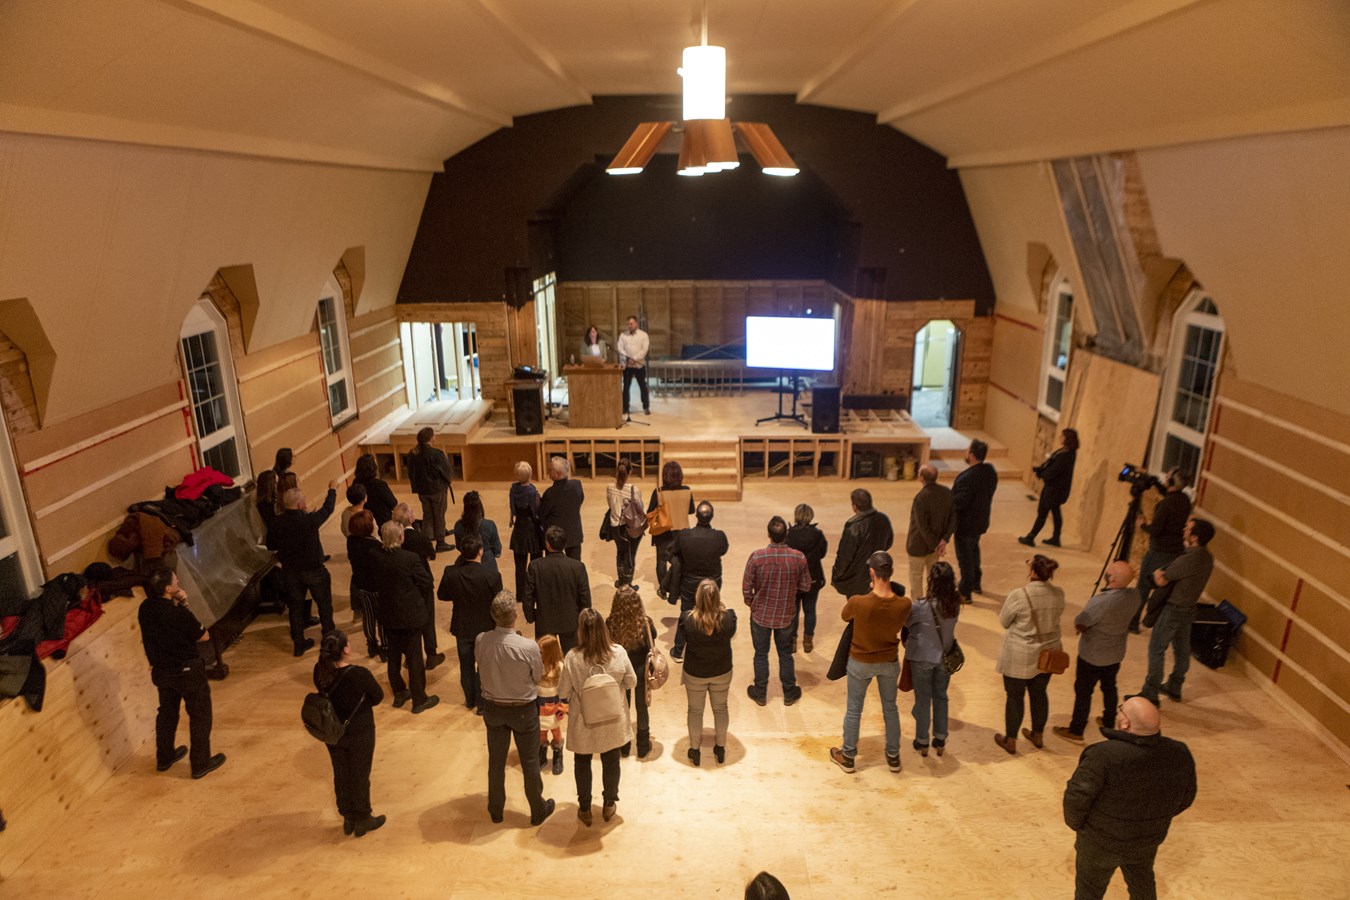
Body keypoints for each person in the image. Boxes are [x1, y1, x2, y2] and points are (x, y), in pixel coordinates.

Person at [1063, 696, 1197, 899]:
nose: (1118, 713)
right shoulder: (1178, 752)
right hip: (1147, 839)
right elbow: (1186, 797)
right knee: (1142, 883)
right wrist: (1156, 818)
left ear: (1125, 723)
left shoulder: (1102, 755)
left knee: (1089, 890)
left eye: (1120, 710)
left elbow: (1077, 798)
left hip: (1100, 841)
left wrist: (1081, 827)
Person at [137, 567, 226, 779]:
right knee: (200, 714)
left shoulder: (145, 608)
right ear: (168, 588)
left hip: (161, 671)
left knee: (167, 713)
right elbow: (203, 636)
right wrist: (185, 604)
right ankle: (200, 763)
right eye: (175, 580)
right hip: (187, 671)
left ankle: (164, 757)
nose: (178, 581)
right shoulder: (178, 613)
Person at [476, 591, 555, 826]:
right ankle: (537, 809)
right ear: (515, 617)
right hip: (523, 710)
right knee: (530, 761)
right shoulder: (528, 646)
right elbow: (538, 675)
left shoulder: (481, 639)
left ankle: (496, 810)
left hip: (492, 708)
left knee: (496, 762)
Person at [829, 551, 910, 774]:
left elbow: (846, 615)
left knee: (854, 709)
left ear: (872, 572)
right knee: (890, 708)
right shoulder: (904, 604)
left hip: (860, 661)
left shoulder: (859, 602)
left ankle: (848, 756)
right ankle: (893, 756)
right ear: (891, 573)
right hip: (888, 661)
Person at [557, 609, 637, 826]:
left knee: (582, 762)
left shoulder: (573, 657)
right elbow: (631, 682)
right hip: (612, 721)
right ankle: (609, 804)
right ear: (604, 628)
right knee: (611, 761)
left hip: (584, 723)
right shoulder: (618, 653)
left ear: (580, 631)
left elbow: (563, 692)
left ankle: (584, 808)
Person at [1053, 561, 1137, 743]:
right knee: (1109, 687)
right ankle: (1108, 722)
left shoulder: (1101, 601)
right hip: (1115, 654)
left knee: (1083, 692)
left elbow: (1081, 622)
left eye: (1109, 570)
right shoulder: (1135, 595)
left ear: (1111, 578)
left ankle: (1076, 730)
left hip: (1092, 655)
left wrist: (1080, 625)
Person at [312, 630, 386, 837]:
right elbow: (377, 697)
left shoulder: (320, 670)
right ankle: (363, 818)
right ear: (345, 650)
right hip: (359, 730)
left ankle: (348, 817)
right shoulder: (359, 674)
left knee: (341, 773)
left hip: (333, 733)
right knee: (360, 774)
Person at [1137, 519, 1216, 705]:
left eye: (1187, 528)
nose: (1183, 529)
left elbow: (1162, 580)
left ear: (1194, 537)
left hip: (1173, 609)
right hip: (1189, 609)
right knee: (1182, 651)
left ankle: (1150, 693)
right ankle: (1175, 686)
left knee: (1157, 649)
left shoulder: (1189, 558)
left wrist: (1156, 573)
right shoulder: (1207, 557)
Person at [994, 554, 1065, 754]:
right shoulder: (1059, 593)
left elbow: (1005, 621)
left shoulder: (1019, 595)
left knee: (1015, 697)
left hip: (1020, 654)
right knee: (1040, 693)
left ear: (1032, 571)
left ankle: (1010, 739)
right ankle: (1038, 734)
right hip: (1047, 654)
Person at [742, 516, 810, 707]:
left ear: (769, 534)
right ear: (785, 534)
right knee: (785, 654)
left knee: (761, 655)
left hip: (761, 615)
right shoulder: (799, 557)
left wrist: (752, 604)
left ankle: (760, 693)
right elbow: (805, 586)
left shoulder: (757, 557)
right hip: (786, 615)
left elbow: (746, 587)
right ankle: (789, 692)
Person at [266, 481, 340, 656]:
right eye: (304, 501)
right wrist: (332, 490)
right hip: (314, 570)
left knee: (295, 608)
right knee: (324, 606)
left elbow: (270, 545)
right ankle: (329, 640)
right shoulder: (309, 520)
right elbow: (327, 509)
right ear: (299, 505)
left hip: (290, 572)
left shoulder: (276, 523)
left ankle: (299, 644)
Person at [373, 521, 439, 714]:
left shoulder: (376, 556)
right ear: (401, 537)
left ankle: (400, 692)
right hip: (410, 615)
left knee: (393, 656)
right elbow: (426, 582)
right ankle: (419, 699)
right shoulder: (410, 559)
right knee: (415, 658)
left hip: (388, 613)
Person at [438, 533, 502, 713]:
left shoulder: (451, 572)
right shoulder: (492, 575)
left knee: (466, 665)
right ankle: (482, 704)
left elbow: (442, 595)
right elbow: (498, 603)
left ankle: (469, 700)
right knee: (484, 666)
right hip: (486, 628)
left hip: (462, 626)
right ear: (481, 551)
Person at [905, 560, 960, 757]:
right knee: (941, 697)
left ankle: (922, 741)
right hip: (944, 657)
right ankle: (940, 738)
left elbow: (908, 623)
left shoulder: (921, 606)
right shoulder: (955, 604)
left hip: (922, 657)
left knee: (922, 700)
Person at [681, 579, 736, 766]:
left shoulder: (687, 620)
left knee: (695, 711)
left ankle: (695, 750)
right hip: (721, 671)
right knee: (721, 709)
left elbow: (681, 641)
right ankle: (720, 748)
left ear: (698, 597)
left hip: (695, 672)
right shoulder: (729, 619)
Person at [1129, 468, 1192, 633]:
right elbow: (1170, 494)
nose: (1165, 477)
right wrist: (1154, 480)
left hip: (1158, 552)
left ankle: (1133, 623)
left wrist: (1142, 524)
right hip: (1175, 552)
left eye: (1168, 477)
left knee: (1143, 587)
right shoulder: (1185, 500)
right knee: (1163, 589)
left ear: (1171, 482)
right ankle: (1159, 625)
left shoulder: (1165, 504)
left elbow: (1156, 530)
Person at [665, 500, 728, 662]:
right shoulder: (719, 536)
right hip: (712, 583)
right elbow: (723, 551)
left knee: (686, 613)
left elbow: (671, 550)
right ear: (712, 516)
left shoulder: (685, 535)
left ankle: (678, 651)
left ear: (696, 516)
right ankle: (710, 647)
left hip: (689, 583)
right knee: (711, 611)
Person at [523, 525, 592, 654]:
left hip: (544, 622)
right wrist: (584, 620)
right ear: (565, 545)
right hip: (571, 622)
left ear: (547, 545)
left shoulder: (535, 566)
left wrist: (531, 616)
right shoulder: (577, 567)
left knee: (547, 664)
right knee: (572, 661)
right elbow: (585, 597)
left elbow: (528, 596)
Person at [606, 585, 657, 758]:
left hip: (620, 671)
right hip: (641, 671)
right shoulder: (645, 623)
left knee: (623, 707)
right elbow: (653, 640)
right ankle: (642, 746)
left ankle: (624, 746)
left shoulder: (611, 623)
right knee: (642, 708)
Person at [392, 502, 444, 670]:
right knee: (428, 619)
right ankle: (431, 654)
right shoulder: (420, 537)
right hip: (422, 583)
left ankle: (410, 657)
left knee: (409, 621)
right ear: (411, 518)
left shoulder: (394, 539)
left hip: (404, 585)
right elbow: (432, 554)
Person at [951, 439, 998, 602]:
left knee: (965, 559)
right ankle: (976, 582)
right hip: (981, 521)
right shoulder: (990, 471)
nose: (965, 452)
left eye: (967, 450)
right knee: (974, 552)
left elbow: (959, 502)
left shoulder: (967, 477)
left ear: (971, 455)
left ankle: (965, 591)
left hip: (966, 524)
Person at [1019, 428, 1079, 547]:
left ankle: (1031, 537)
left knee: (1042, 512)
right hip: (1058, 489)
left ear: (1067, 439)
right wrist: (1041, 469)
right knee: (1055, 512)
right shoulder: (1068, 452)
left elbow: (1054, 471)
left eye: (1062, 436)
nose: (1060, 438)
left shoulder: (1065, 455)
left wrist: (1041, 474)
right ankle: (1056, 538)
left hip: (1053, 489)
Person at [830, 488, 894, 597]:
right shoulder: (883, 519)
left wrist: (837, 574)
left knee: (856, 610)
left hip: (856, 580)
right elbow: (889, 542)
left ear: (854, 507)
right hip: (877, 574)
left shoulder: (854, 527)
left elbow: (845, 556)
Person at [906, 464, 955, 599]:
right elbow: (953, 519)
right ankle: (933, 608)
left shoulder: (920, 498)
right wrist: (943, 541)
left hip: (918, 546)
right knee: (933, 578)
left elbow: (922, 527)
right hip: (936, 545)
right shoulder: (947, 493)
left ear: (921, 478)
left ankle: (918, 609)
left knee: (916, 578)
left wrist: (935, 545)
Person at [785, 503, 828, 653]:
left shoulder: (788, 534)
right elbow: (822, 553)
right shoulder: (818, 535)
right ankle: (808, 641)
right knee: (810, 610)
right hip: (813, 577)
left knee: (794, 611)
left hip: (793, 579)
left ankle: (793, 642)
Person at [647, 460, 695, 591]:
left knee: (662, 561)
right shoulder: (687, 491)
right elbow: (691, 510)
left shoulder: (658, 492)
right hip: (683, 533)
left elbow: (649, 512)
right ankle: (678, 588)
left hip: (664, 532)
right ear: (680, 475)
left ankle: (663, 589)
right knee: (681, 561)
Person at [406, 426, 455, 552]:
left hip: (422, 491)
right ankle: (440, 541)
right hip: (436, 490)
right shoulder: (436, 454)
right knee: (439, 514)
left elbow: (411, 473)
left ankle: (427, 543)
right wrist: (447, 482)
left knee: (428, 515)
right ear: (431, 438)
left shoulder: (413, 453)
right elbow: (447, 472)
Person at [346, 510, 385, 659]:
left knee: (368, 615)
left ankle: (371, 644)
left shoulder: (350, 541)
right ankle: (385, 646)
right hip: (377, 587)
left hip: (361, 585)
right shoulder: (375, 545)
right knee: (381, 617)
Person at [508, 461, 544, 602]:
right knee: (535, 564)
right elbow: (536, 513)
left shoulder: (513, 489)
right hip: (532, 531)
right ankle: (535, 593)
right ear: (530, 474)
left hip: (519, 530)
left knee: (520, 566)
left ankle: (521, 595)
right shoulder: (533, 492)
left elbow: (513, 509)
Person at [538, 456, 585, 560]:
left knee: (554, 567)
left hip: (555, 537)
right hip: (574, 533)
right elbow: (580, 500)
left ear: (558, 474)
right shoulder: (577, 485)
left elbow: (541, 515)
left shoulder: (550, 493)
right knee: (575, 566)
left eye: (550, 470)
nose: (548, 472)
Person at [606, 459, 643, 586]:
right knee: (630, 554)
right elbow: (640, 509)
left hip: (615, 527)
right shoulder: (634, 490)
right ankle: (627, 585)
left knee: (620, 551)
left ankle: (621, 581)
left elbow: (610, 505)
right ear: (630, 472)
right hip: (629, 527)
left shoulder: (609, 488)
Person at [535, 634, 567, 776]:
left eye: (541, 652)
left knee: (555, 731)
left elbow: (565, 688)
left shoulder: (560, 667)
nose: (538, 654)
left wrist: (563, 706)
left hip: (554, 706)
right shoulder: (536, 666)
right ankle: (542, 752)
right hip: (539, 706)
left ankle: (558, 754)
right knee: (541, 732)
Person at [454, 490, 503, 577]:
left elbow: (459, 547)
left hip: (465, 565)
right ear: (480, 507)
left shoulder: (458, 526)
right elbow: (497, 551)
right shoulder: (490, 525)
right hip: (488, 565)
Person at [616, 314, 651, 416]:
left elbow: (644, 349)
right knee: (626, 387)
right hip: (627, 366)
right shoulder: (623, 335)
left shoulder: (643, 335)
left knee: (642, 386)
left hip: (639, 365)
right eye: (628, 324)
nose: (629, 326)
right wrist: (627, 358)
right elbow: (620, 348)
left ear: (636, 324)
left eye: (631, 323)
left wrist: (634, 358)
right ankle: (625, 407)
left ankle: (646, 407)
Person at [353, 454, 398, 527]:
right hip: (382, 522)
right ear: (373, 468)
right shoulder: (380, 485)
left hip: (364, 521)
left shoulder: (355, 483)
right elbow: (393, 503)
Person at [255, 469, 279, 533]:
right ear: (270, 485)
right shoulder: (266, 504)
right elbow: (275, 525)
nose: (278, 485)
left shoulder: (271, 499)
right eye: (276, 482)